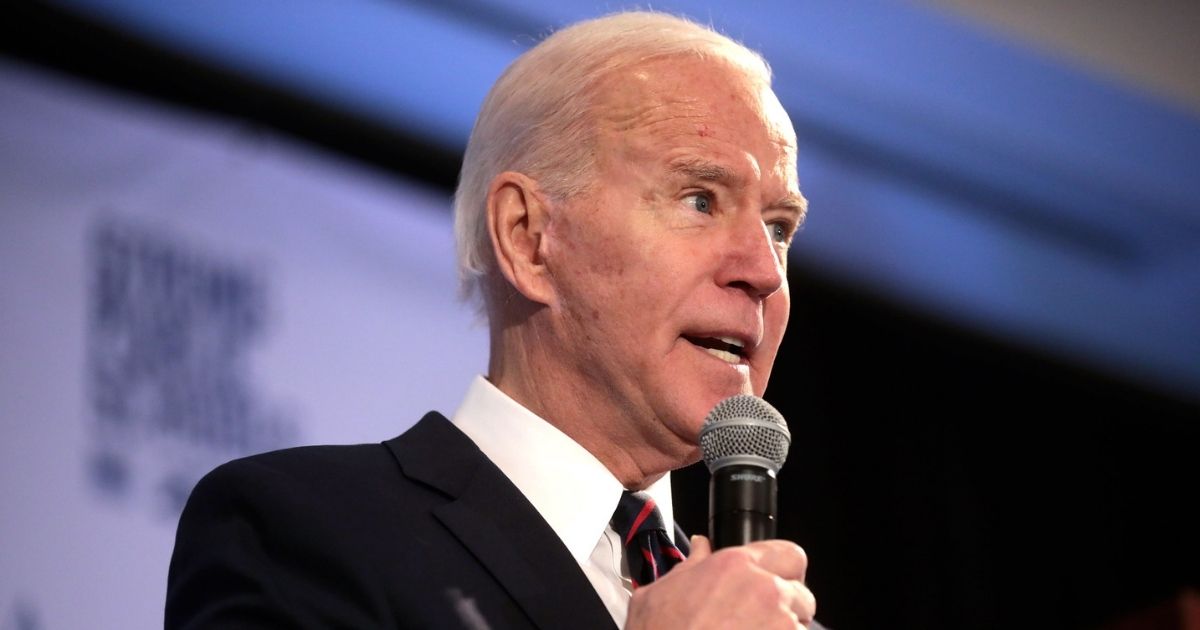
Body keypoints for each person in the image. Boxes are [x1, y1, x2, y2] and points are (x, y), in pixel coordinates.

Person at [166, 10, 821, 629]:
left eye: (779, 227)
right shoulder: (299, 530)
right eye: (700, 200)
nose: (764, 271)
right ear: (528, 236)